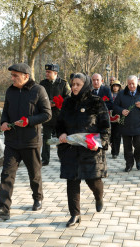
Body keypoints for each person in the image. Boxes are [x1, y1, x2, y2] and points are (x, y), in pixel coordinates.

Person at [0, 63, 51, 220]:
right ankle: (3, 208)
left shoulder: (39, 90)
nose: (12, 78)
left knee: (34, 174)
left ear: (26, 76)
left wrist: (28, 121)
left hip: (31, 142)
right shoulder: (10, 91)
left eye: (16, 75)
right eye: (12, 75)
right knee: (6, 174)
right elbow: (6, 112)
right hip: (12, 142)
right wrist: (3, 122)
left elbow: (47, 114)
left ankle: (37, 198)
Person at [56, 73, 110, 227]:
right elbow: (59, 123)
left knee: (93, 181)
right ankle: (75, 214)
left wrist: (100, 143)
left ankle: (98, 196)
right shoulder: (67, 103)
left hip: (91, 150)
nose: (74, 87)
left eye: (78, 84)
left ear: (85, 85)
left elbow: (105, 127)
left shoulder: (96, 102)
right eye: (73, 84)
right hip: (71, 150)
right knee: (72, 182)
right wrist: (61, 133)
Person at [113, 75, 140, 172]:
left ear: (137, 83)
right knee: (127, 147)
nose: (131, 86)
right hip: (125, 125)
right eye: (129, 84)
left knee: (139, 145)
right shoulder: (122, 93)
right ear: (127, 83)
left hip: (138, 125)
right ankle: (129, 164)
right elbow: (115, 106)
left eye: (133, 84)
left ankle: (138, 160)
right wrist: (121, 110)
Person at [40, 63, 71, 166]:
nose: (47, 74)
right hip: (47, 116)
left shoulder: (63, 84)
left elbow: (68, 98)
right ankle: (45, 159)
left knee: (60, 139)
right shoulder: (42, 83)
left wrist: (56, 103)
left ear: (55, 73)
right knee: (46, 138)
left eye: (49, 72)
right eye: (46, 72)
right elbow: (39, 97)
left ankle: (62, 157)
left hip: (59, 116)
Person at [110, 80, 122, 159]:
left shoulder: (121, 95)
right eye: (114, 86)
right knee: (111, 135)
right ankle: (113, 149)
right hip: (110, 116)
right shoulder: (109, 94)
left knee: (117, 135)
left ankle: (116, 151)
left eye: (117, 86)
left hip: (119, 117)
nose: (115, 87)